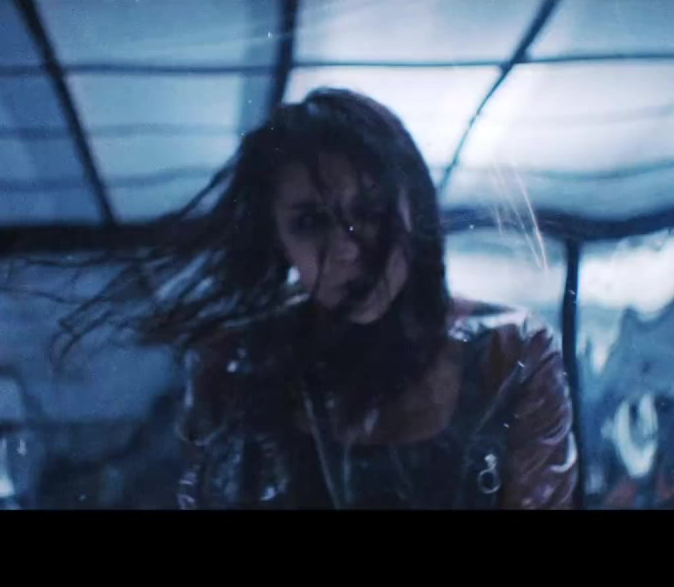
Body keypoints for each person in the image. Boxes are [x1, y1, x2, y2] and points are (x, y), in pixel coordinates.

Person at [57, 88, 578, 509]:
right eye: (310, 222)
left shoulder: (510, 354)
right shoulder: (234, 365)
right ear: (278, 240)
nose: (348, 250)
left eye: (369, 211)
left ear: (412, 209)